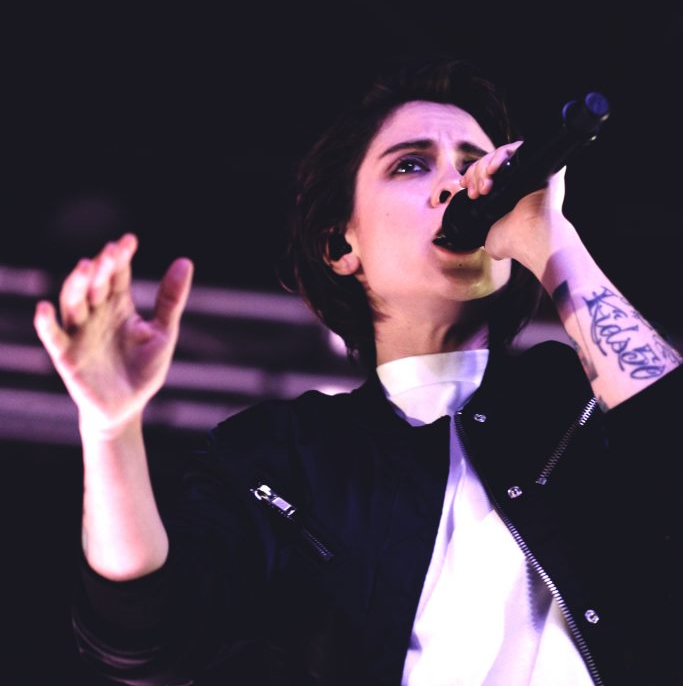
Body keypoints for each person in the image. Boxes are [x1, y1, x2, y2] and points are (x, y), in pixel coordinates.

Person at [35, 57, 682, 686]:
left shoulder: (575, 402)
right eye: (411, 164)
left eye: (472, 163)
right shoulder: (283, 456)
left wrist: (550, 238)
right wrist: (111, 429)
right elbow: (145, 637)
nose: (455, 185)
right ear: (341, 245)